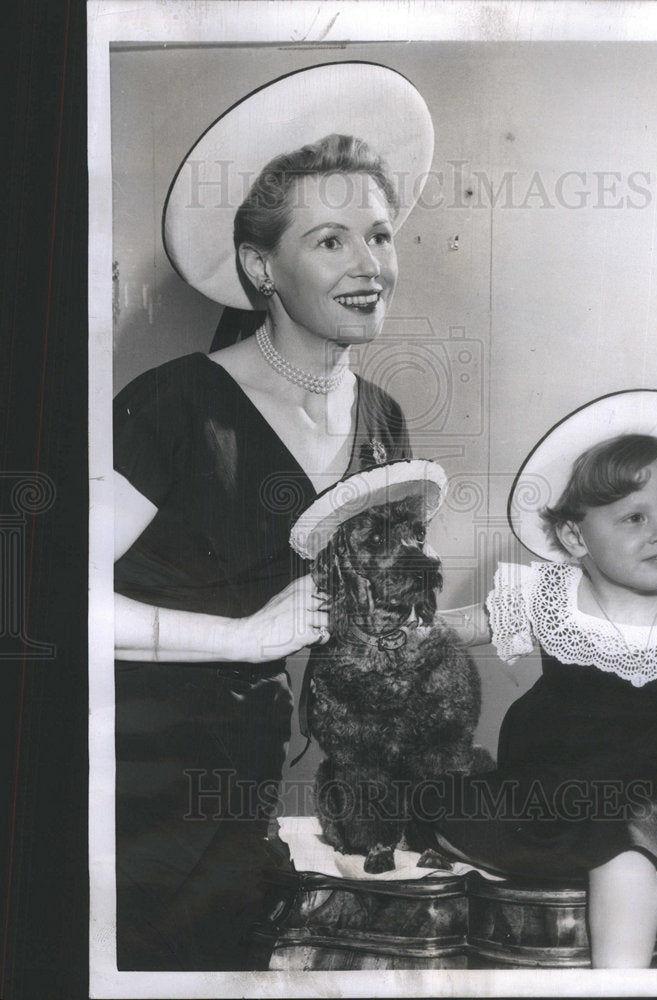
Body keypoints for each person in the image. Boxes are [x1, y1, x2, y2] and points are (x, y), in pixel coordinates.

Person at [112, 63, 434, 970]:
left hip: (244, 782)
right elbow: (42, 603)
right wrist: (242, 637)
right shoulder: (173, 405)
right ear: (262, 266)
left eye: (378, 234)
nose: (369, 265)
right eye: (329, 241)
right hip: (127, 788)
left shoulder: (381, 420)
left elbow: (366, 623)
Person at [428, 390, 657, 969]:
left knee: (626, 850)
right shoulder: (549, 598)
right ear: (575, 538)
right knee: (445, 806)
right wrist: (389, 621)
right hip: (563, 785)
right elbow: (450, 630)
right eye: (633, 517)